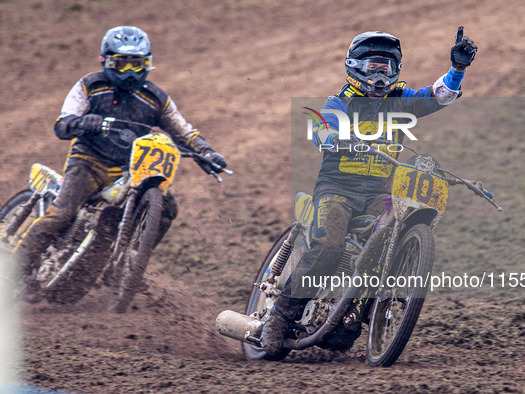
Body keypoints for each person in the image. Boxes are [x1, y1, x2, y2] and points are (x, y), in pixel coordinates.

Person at [260, 29, 477, 356]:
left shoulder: (401, 100)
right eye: (374, 67)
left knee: (390, 239)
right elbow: (321, 128)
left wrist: (458, 69)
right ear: (355, 67)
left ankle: (353, 315)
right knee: (329, 246)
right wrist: (334, 137)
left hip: (379, 193)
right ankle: (281, 314)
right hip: (338, 190)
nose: (380, 75)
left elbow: (440, 94)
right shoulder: (340, 101)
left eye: (387, 68)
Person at [14, 26, 227, 297]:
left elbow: (184, 131)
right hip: (88, 162)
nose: (129, 71)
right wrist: (83, 122)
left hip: (128, 170)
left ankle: (127, 266)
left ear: (147, 63)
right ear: (106, 61)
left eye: (136, 63)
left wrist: (206, 152)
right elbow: (62, 125)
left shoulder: (156, 99)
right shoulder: (89, 86)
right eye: (121, 63)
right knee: (62, 215)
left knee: (167, 207)